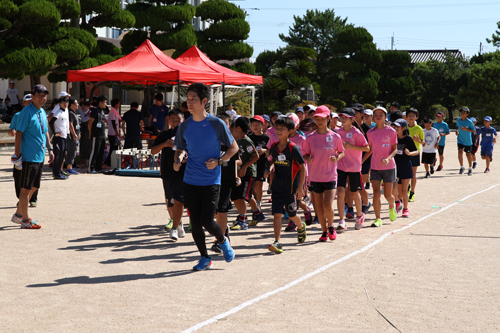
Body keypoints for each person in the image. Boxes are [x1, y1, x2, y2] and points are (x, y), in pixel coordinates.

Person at [173, 83, 237, 271]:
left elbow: (234, 148)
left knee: (207, 221)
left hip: (211, 180)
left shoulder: (216, 123)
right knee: (195, 223)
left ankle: (223, 240)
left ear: (204, 101)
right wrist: (178, 159)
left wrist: (219, 160)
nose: (190, 103)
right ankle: (204, 258)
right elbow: (179, 148)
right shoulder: (184, 126)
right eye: (188, 99)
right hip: (190, 180)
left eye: (194, 99)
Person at [12, 84, 54, 229]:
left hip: (39, 156)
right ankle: (25, 220)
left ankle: (18, 214)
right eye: (39, 95)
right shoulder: (26, 112)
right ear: (33, 96)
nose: (42, 98)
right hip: (28, 157)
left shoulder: (42, 112)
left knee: (35, 186)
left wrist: (51, 149)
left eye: (44, 95)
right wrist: (17, 155)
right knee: (25, 189)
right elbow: (19, 134)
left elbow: (45, 133)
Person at [265, 116, 307, 253]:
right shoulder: (273, 147)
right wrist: (268, 170)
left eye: (282, 128)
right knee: (277, 214)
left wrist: (300, 187)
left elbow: (303, 167)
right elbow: (272, 161)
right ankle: (277, 242)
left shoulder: (293, 148)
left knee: (291, 215)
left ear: (290, 131)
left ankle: (300, 226)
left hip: (291, 188)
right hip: (277, 186)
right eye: (277, 128)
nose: (278, 131)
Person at [303, 105, 345, 241]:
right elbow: (304, 154)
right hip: (314, 177)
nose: (319, 121)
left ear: (328, 118)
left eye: (322, 118)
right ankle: (324, 231)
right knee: (319, 207)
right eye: (317, 118)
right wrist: (307, 158)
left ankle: (331, 226)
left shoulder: (335, 136)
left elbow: (342, 152)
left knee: (327, 205)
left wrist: (337, 157)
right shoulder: (310, 138)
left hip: (330, 176)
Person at [151, 109, 186, 240]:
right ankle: (177, 222)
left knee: (179, 200)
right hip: (167, 172)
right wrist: (164, 144)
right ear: (168, 121)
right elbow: (153, 151)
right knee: (169, 199)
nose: (175, 122)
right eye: (173, 120)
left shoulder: (187, 134)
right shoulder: (164, 134)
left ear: (183, 121)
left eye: (178, 120)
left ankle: (175, 227)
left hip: (183, 171)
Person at [336, 108, 369, 230]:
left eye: (345, 118)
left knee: (355, 193)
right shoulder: (338, 132)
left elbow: (366, 148)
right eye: (342, 117)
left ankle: (359, 216)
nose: (343, 120)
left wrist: (351, 146)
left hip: (354, 167)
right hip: (340, 166)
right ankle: (341, 220)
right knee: (340, 193)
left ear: (352, 119)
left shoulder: (357, 133)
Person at [211, 113, 240, 253]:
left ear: (230, 126)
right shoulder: (210, 140)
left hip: (226, 181)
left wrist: (236, 176)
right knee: (214, 211)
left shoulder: (232, 142)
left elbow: (235, 160)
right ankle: (224, 230)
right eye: (219, 123)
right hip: (211, 180)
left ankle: (219, 241)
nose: (222, 126)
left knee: (222, 210)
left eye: (225, 123)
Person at [366, 107, 398, 227]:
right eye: (376, 114)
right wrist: (361, 161)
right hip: (375, 167)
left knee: (387, 195)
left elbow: (395, 150)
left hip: (389, 167)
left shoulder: (391, 131)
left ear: (385, 117)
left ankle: (392, 205)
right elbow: (370, 149)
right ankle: (378, 218)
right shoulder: (370, 133)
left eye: (381, 114)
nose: (378, 116)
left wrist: (388, 158)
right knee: (376, 193)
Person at [230, 117, 261, 230]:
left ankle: (242, 220)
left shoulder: (247, 141)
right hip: (240, 173)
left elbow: (256, 156)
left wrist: (244, 166)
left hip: (248, 173)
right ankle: (258, 213)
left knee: (243, 197)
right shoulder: (237, 140)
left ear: (238, 128)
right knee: (240, 196)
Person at [393, 119, 418, 218]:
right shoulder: (393, 137)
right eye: (394, 126)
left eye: (397, 126)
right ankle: (397, 202)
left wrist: (409, 153)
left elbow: (416, 152)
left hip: (406, 164)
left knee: (404, 190)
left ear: (403, 128)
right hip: (395, 165)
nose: (395, 128)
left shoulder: (408, 139)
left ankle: (405, 209)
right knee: (395, 189)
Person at [248, 115, 270, 217]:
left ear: (263, 125)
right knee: (251, 187)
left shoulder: (266, 137)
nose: (255, 126)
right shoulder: (249, 137)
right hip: (251, 165)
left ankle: (258, 203)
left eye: (257, 124)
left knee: (259, 184)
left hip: (262, 165)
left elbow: (272, 152)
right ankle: (255, 198)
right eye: (253, 125)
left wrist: (265, 151)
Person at [49, 96, 70, 179]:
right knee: (58, 156)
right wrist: (55, 133)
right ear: (60, 104)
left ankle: (60, 171)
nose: (65, 104)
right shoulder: (58, 112)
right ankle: (56, 173)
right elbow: (51, 122)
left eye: (66, 102)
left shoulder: (65, 112)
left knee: (63, 155)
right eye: (63, 102)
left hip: (64, 136)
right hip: (59, 137)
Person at [406, 108, 424, 202]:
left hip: (415, 153)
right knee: (405, 174)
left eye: (413, 116)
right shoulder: (404, 127)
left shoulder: (419, 128)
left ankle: (412, 192)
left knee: (413, 174)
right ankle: (407, 188)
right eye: (409, 115)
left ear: (416, 117)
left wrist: (418, 141)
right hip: (405, 153)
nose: (411, 117)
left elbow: (423, 142)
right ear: (406, 117)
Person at [88, 95, 107, 174]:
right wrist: (90, 133)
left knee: (101, 152)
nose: (106, 104)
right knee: (95, 151)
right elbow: (90, 123)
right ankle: (91, 168)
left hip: (102, 134)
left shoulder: (102, 111)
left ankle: (98, 168)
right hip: (96, 134)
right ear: (100, 102)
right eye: (105, 102)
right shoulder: (95, 111)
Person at [455, 107, 475, 176]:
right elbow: (457, 127)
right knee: (460, 152)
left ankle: (470, 168)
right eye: (461, 112)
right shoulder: (458, 120)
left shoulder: (469, 122)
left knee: (468, 154)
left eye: (464, 112)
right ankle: (462, 167)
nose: (462, 113)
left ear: (467, 114)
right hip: (460, 139)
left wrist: (466, 129)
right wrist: (457, 131)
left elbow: (473, 130)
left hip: (467, 141)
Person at [105, 98, 122, 166]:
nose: (119, 105)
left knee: (115, 147)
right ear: (116, 104)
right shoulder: (112, 112)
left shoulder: (116, 111)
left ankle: (111, 160)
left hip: (115, 132)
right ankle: (108, 160)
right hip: (112, 133)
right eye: (118, 103)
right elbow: (113, 122)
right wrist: (116, 131)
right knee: (113, 147)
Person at [66, 97, 80, 175]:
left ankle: (71, 166)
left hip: (76, 135)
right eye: (76, 103)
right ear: (72, 105)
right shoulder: (70, 113)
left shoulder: (74, 112)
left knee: (74, 151)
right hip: (71, 137)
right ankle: (69, 167)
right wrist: (74, 134)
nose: (78, 105)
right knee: (71, 151)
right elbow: (70, 124)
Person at [79, 101, 92, 170]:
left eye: (85, 106)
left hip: (88, 132)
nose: (83, 108)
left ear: (88, 107)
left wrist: (80, 111)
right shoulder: (83, 113)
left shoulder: (90, 113)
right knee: (83, 146)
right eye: (82, 106)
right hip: (83, 132)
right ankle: (85, 162)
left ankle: (88, 162)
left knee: (88, 147)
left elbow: (84, 120)